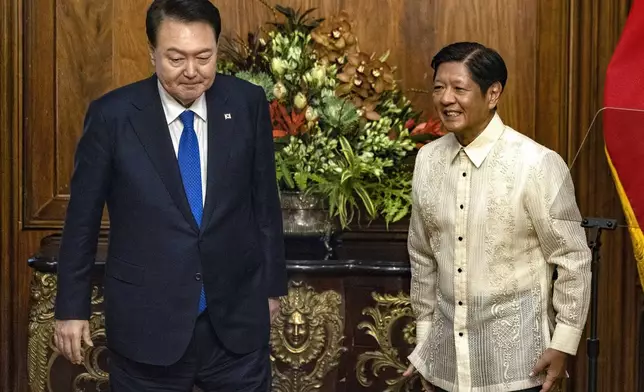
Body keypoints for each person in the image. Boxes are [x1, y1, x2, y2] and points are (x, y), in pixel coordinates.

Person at [53, 0, 287, 390]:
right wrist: (71, 309)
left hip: (236, 322)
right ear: (152, 53)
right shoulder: (113, 116)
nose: (192, 72)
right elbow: (82, 220)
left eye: (204, 57)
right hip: (147, 325)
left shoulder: (247, 103)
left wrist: (272, 287)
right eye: (176, 58)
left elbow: (264, 204)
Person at [402, 42, 591, 392]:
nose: (446, 99)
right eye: (439, 87)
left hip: (518, 367)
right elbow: (422, 254)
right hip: (444, 364)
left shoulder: (536, 163)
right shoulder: (427, 161)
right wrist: (425, 343)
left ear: (492, 94)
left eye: (459, 88)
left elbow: (572, 258)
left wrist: (563, 342)